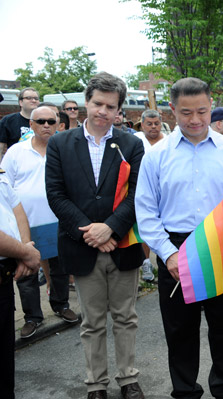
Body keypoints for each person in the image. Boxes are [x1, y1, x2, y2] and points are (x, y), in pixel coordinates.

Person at [135, 77, 223, 399]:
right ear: (171, 110)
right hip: (175, 247)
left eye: (201, 111)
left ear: (212, 104)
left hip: (219, 245)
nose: (195, 120)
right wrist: (169, 254)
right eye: (185, 113)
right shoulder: (156, 157)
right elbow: (146, 213)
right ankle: (185, 392)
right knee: (180, 331)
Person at [46, 72, 146, 399]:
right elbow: (57, 195)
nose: (102, 111)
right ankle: (96, 384)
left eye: (110, 106)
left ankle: (128, 378)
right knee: (92, 323)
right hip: (82, 246)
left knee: (126, 318)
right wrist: (92, 233)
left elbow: (137, 194)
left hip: (122, 246)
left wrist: (112, 228)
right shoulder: (61, 143)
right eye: (97, 103)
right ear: (86, 103)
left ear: (119, 110)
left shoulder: (131, 144)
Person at [1, 106, 78, 340]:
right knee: (26, 271)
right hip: (26, 224)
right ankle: (32, 317)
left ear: (58, 125)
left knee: (60, 268)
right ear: (31, 125)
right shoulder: (16, 152)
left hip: (57, 221)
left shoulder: (64, 149)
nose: (46, 125)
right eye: (40, 121)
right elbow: (8, 190)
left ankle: (61, 305)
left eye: (51, 121)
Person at [0, 169, 41, 399]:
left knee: (5, 367)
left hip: (6, 277)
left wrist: (25, 247)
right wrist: (26, 252)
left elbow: (17, 210)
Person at [133, 109, 166, 282]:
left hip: (164, 193)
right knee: (143, 227)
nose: (153, 127)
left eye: (156, 123)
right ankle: (146, 261)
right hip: (142, 190)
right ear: (142, 124)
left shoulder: (168, 142)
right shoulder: (135, 140)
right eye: (149, 124)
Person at [0, 87, 40, 161]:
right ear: (20, 102)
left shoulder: (45, 121)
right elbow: (1, 147)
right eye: (29, 98)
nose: (33, 100)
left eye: (36, 98)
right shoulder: (8, 120)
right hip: (16, 164)